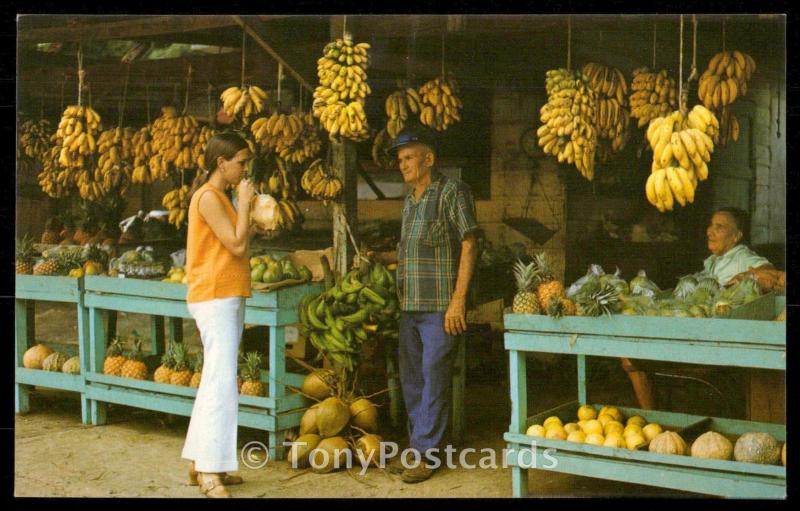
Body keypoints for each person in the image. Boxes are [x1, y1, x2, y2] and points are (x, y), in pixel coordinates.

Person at [374, 127, 479, 483]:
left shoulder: (452, 192)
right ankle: (417, 449)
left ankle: (427, 456)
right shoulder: (410, 201)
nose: (402, 165)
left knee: (434, 377)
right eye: (400, 159)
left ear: (428, 159)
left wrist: (458, 301)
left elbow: (469, 245)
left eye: (408, 157)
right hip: (410, 305)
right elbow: (412, 250)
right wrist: (380, 256)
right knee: (413, 380)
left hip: (440, 307)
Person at [623, 206, 782, 410]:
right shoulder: (715, 261)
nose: (710, 231)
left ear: (737, 236)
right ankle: (652, 414)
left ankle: (652, 414)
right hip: (698, 330)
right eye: (710, 225)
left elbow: (770, 271)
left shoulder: (742, 256)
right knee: (631, 355)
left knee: (632, 355)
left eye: (720, 227)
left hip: (716, 340)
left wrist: (746, 276)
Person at [180, 132, 255, 498]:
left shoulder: (220, 198)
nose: (245, 168)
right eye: (241, 161)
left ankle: (200, 461)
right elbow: (237, 243)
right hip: (214, 295)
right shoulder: (209, 197)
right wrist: (244, 204)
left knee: (215, 379)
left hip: (227, 293)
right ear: (221, 163)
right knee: (222, 383)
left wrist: (244, 208)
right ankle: (211, 470)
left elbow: (237, 241)